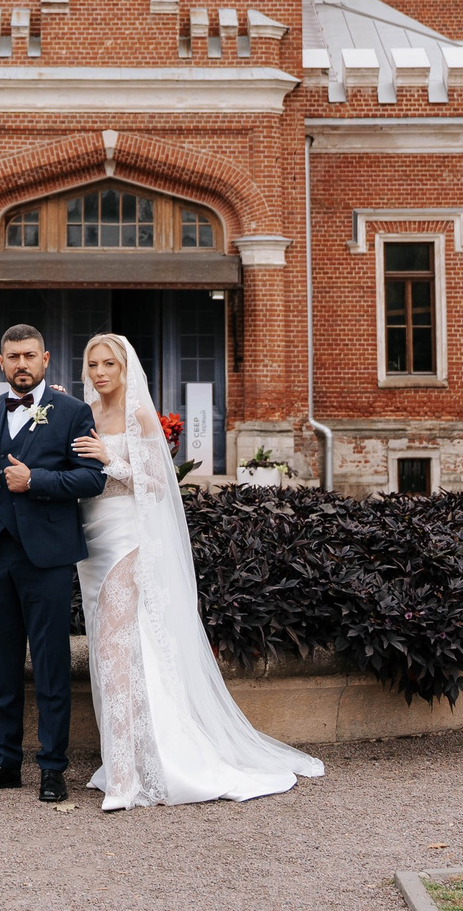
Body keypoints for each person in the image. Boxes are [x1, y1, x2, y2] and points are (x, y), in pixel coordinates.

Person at [69, 332, 325, 809]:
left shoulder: (139, 415)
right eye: (92, 364)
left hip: (128, 539)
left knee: (114, 648)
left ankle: (128, 779)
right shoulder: (87, 416)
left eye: (108, 364)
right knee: (117, 651)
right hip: (91, 542)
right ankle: (129, 759)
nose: (100, 372)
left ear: (125, 369)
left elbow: (157, 485)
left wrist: (111, 460)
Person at [0, 323, 105, 803]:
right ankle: (4, 761)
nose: (21, 364)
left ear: (45, 360)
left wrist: (34, 480)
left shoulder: (73, 413)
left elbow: (91, 478)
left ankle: (53, 767)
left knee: (51, 662)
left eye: (29, 356)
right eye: (12, 356)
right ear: (2, 363)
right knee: (3, 662)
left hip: (48, 558)